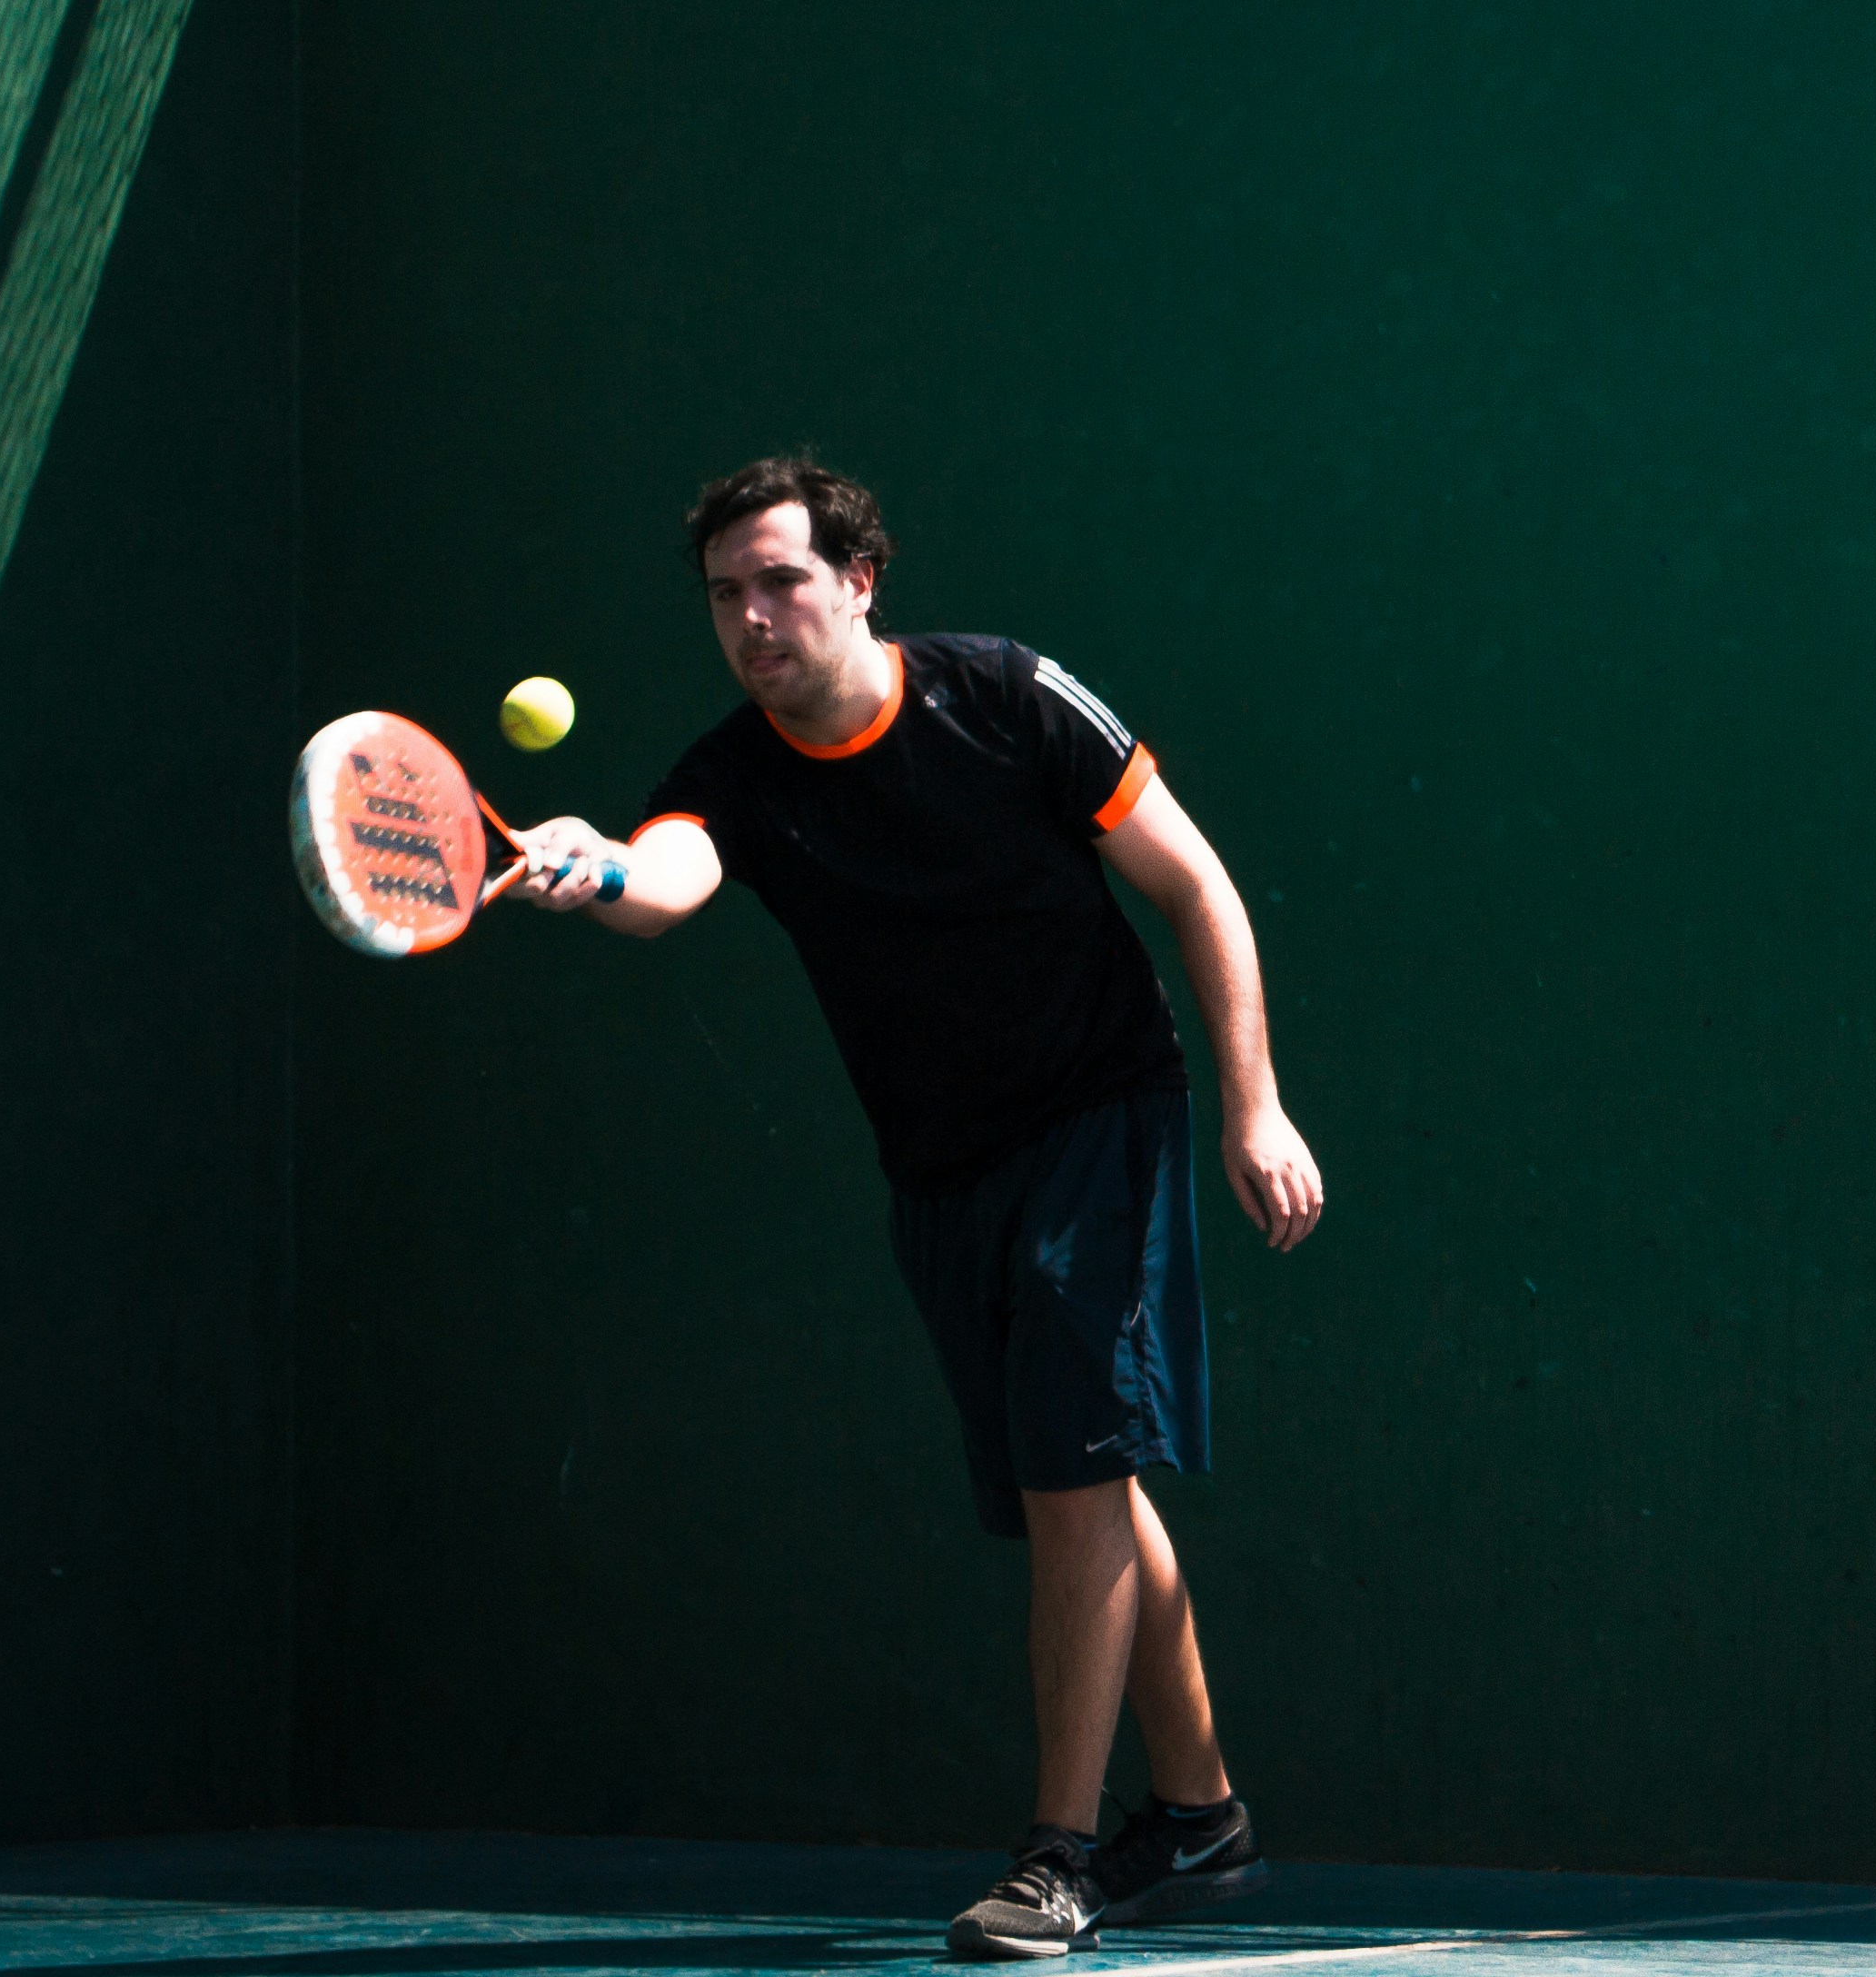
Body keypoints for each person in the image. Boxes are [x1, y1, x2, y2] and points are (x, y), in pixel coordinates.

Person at [504, 456, 1324, 1962]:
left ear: (860, 579)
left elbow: (1197, 886)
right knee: (1074, 1485)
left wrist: (1250, 1103)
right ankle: (1200, 1821)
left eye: (782, 582)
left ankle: (1057, 1857)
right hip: (940, 1171)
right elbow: (666, 878)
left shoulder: (1004, 697)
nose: (755, 618)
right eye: (726, 596)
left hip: (1101, 1115)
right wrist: (594, 863)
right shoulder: (729, 775)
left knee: (1077, 1474)